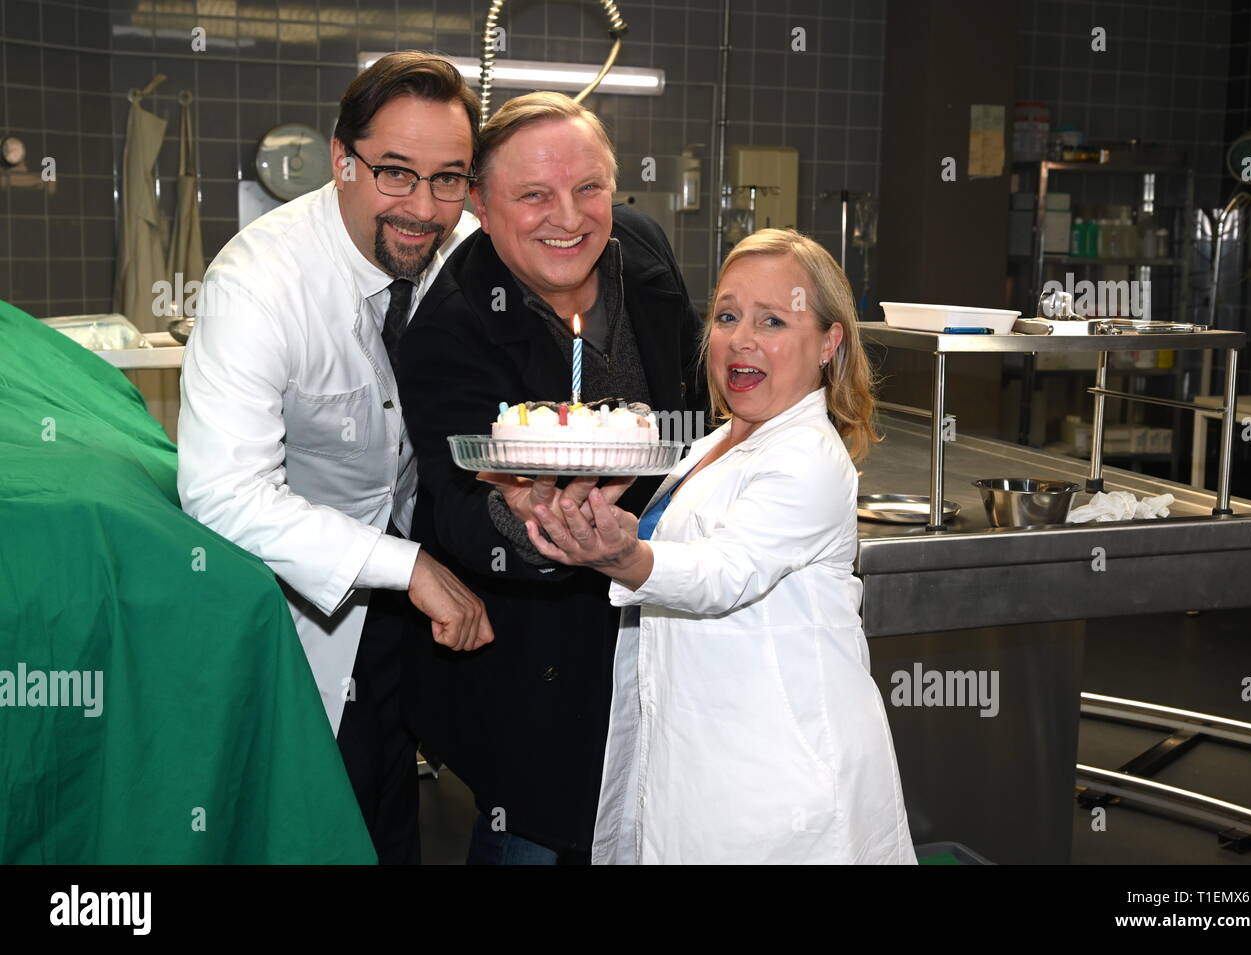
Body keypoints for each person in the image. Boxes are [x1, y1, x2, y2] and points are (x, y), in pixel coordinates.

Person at [177, 52, 492, 865]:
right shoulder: (259, 281)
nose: (424, 208)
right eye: (396, 172)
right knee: (321, 827)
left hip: (411, 625)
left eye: (449, 178)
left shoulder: (455, 254)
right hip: (307, 620)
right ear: (340, 160)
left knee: (398, 823)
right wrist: (406, 565)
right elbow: (222, 493)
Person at [525, 229, 918, 864]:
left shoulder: (808, 458)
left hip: (777, 783)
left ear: (829, 342)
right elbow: (679, 547)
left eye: (773, 320)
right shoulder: (712, 444)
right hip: (703, 757)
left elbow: (723, 572)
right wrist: (595, 519)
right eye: (728, 315)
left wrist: (622, 558)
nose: (741, 338)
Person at [396, 92, 707, 864]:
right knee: (541, 833)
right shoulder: (449, 325)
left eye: (589, 188)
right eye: (533, 194)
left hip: (665, 616)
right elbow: (460, 510)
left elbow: (694, 400)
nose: (568, 217)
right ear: (478, 203)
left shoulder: (641, 246)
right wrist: (536, 523)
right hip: (541, 652)